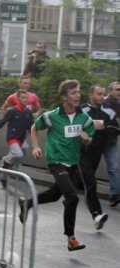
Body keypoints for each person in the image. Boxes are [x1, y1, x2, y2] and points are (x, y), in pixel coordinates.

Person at [20, 80, 95, 251]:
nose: (77, 96)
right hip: (56, 161)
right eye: (73, 93)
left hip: (73, 162)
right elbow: (34, 127)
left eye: (78, 92)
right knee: (72, 197)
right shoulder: (52, 116)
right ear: (64, 96)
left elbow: (90, 138)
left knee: (55, 195)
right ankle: (71, 238)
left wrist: (87, 139)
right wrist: (36, 146)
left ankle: (28, 203)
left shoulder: (84, 118)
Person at [75, 84, 114, 229]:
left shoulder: (109, 112)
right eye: (98, 94)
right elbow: (72, 125)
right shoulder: (81, 110)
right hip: (80, 152)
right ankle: (97, 214)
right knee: (91, 182)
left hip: (96, 152)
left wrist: (105, 127)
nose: (101, 97)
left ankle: (30, 202)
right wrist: (82, 132)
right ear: (91, 95)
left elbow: (114, 128)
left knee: (76, 184)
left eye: (103, 94)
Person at [0, 90, 34, 187]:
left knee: (22, 152)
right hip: (12, 137)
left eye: (26, 98)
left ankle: (4, 177)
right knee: (18, 154)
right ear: (18, 99)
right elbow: (3, 121)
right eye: (23, 98)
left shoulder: (28, 112)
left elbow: (31, 126)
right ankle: (6, 160)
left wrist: (33, 136)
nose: (25, 100)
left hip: (21, 138)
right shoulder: (12, 111)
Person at [102, 81, 120, 207]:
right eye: (117, 89)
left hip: (111, 142)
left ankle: (114, 195)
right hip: (97, 141)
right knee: (88, 167)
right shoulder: (103, 103)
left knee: (113, 167)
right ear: (110, 91)